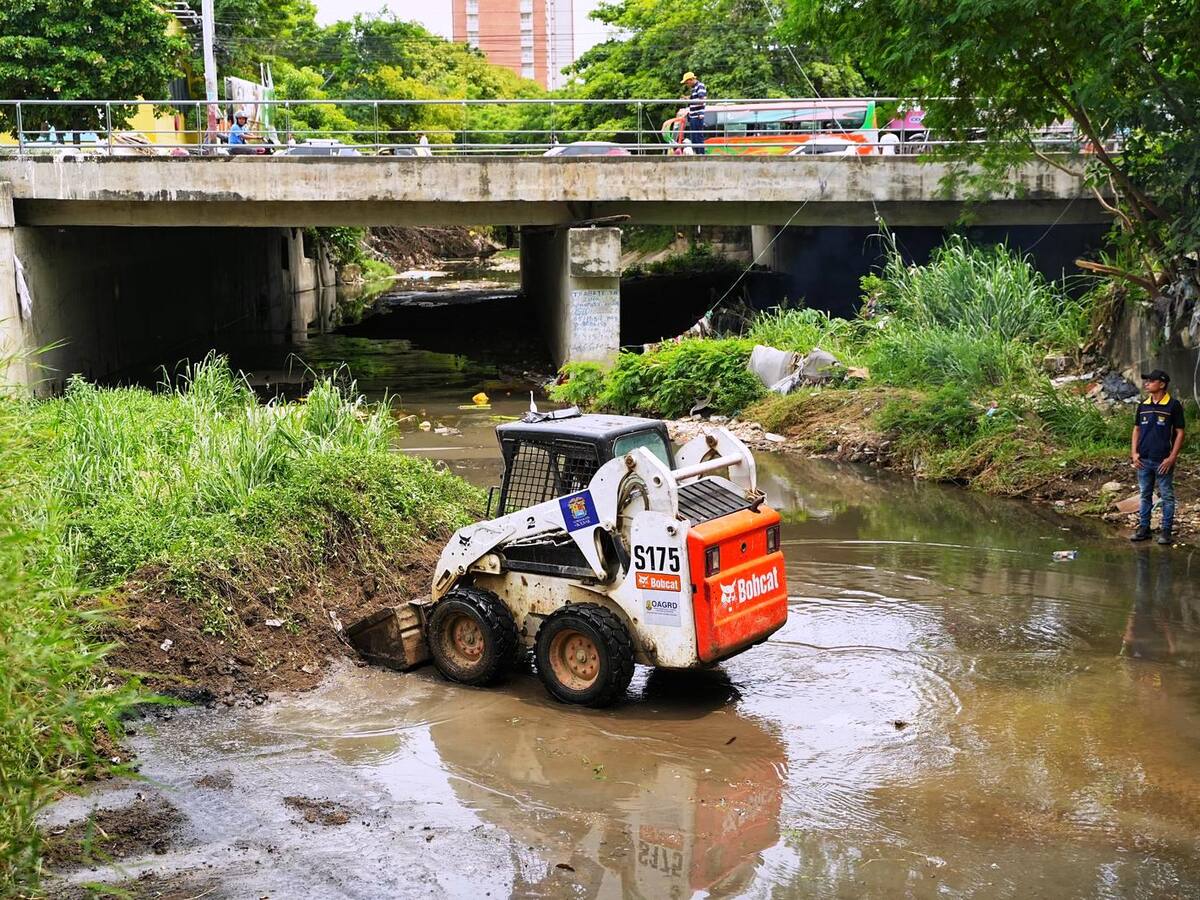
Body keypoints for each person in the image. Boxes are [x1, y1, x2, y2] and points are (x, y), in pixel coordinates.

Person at [1130, 368, 1185, 544]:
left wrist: (1172, 457)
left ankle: (1166, 531)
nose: (1147, 384)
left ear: (1162, 384)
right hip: (1143, 460)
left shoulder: (1173, 405)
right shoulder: (1143, 405)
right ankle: (1144, 529)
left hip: (1163, 460)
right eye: (1146, 381)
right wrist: (1134, 453)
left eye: (1151, 381)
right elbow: (1136, 429)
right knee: (1145, 494)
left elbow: (1180, 432)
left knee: (1167, 495)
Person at [681, 72, 707, 155]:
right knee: (694, 137)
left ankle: (701, 155)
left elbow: (702, 100)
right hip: (693, 115)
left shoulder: (700, 86)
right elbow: (695, 98)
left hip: (697, 115)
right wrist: (687, 98)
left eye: (687, 82)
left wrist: (690, 100)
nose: (687, 84)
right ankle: (698, 154)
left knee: (698, 137)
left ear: (691, 79)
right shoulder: (694, 88)